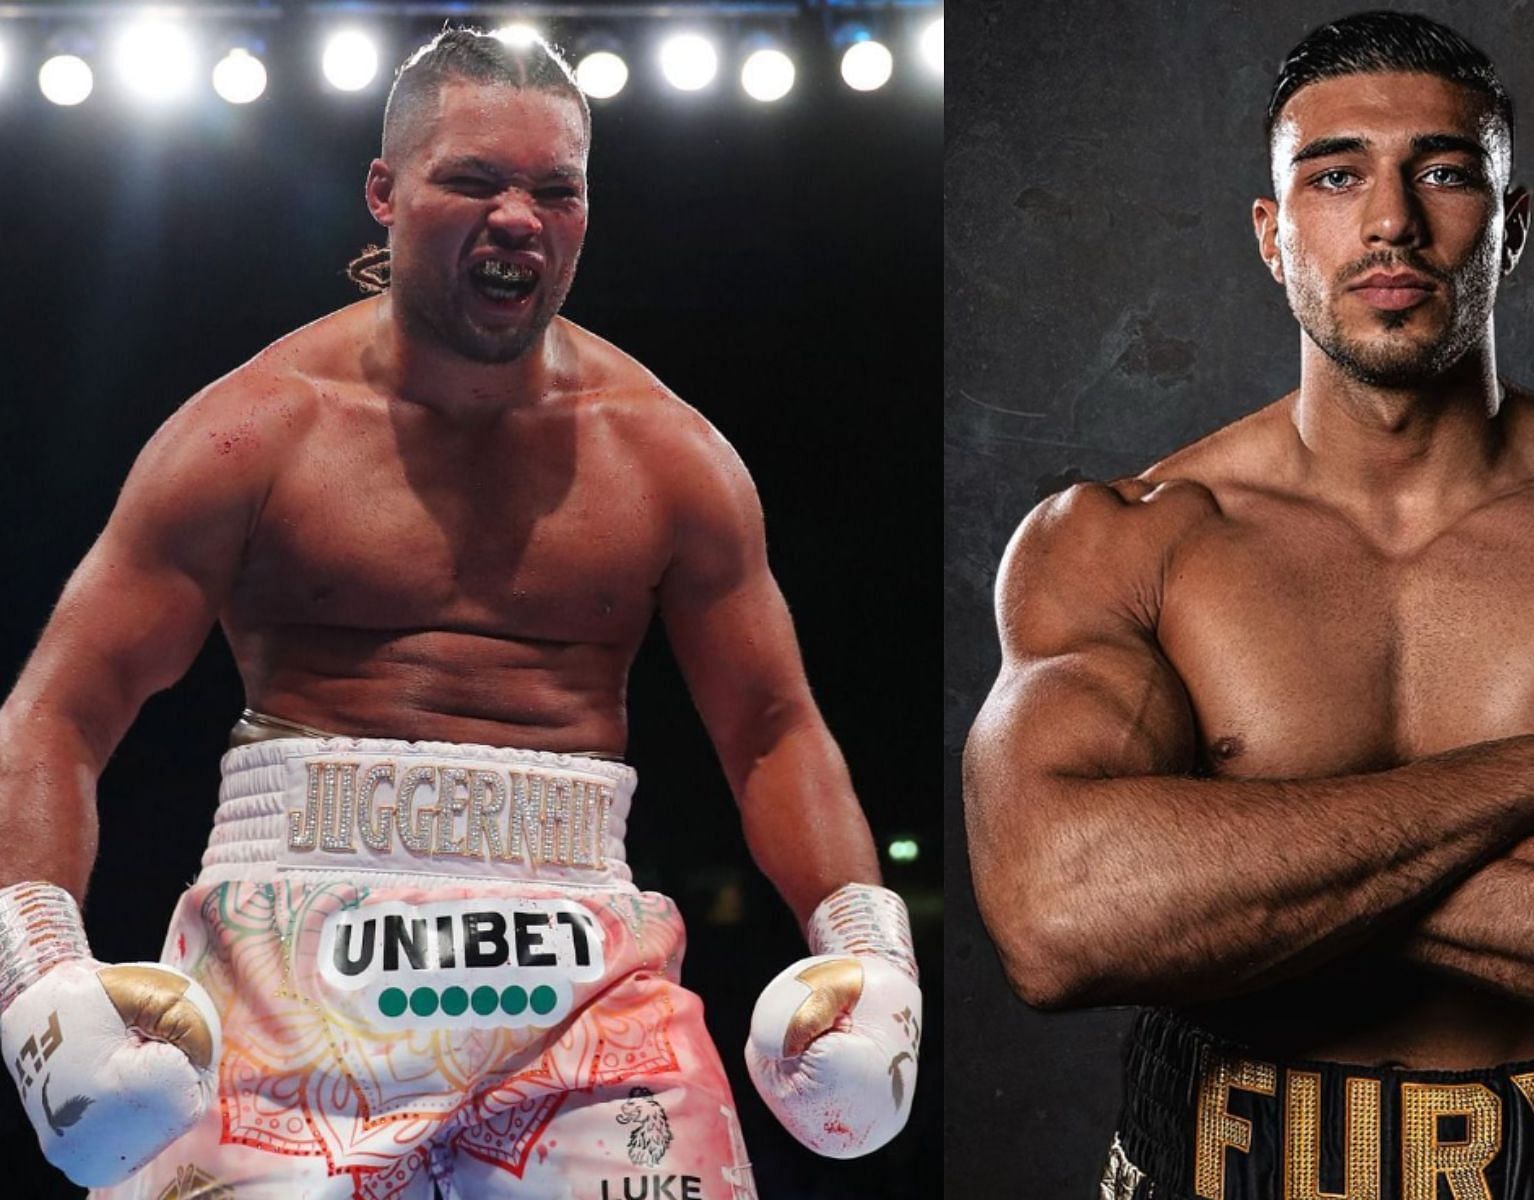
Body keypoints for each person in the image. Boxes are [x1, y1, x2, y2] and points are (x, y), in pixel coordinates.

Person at [0, 28, 919, 1200]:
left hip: (589, 986)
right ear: (385, 192)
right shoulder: (252, 434)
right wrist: (36, 972)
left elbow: (774, 728)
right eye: (477, 180)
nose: (521, 217)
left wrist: (869, 952)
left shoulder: (669, 457)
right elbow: (58, 712)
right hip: (285, 965)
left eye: (556, 189)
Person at [964, 12, 1534, 1199]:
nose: (1390, 219)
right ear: (1273, 235)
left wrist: (1247, 876)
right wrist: (1531, 781)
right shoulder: (1123, 541)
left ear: (1515, 224)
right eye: (1335, 176)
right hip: (1214, 1161)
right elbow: (1056, 914)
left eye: (1444, 172)